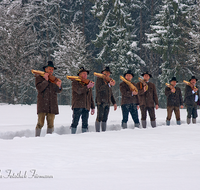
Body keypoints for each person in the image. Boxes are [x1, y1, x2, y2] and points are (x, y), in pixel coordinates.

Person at [35, 61, 62, 137]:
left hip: (52, 105)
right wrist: (45, 80)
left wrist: (59, 86)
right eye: (50, 69)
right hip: (42, 104)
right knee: (40, 123)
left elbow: (58, 91)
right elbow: (39, 88)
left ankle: (49, 139)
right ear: (45, 69)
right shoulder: (39, 77)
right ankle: (37, 138)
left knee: (51, 124)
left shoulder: (54, 79)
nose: (51, 71)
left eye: (52, 69)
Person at [70, 67, 95, 134]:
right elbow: (79, 91)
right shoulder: (75, 82)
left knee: (85, 123)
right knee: (75, 122)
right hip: (77, 105)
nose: (85, 75)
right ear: (79, 75)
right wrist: (87, 87)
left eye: (86, 74)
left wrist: (93, 107)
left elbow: (90, 96)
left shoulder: (88, 83)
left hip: (86, 106)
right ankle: (72, 134)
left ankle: (84, 136)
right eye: (83, 73)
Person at [95, 66, 117, 132]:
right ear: (103, 72)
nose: (107, 74)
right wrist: (108, 85)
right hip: (101, 101)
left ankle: (104, 131)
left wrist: (114, 103)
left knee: (105, 118)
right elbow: (99, 89)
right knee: (99, 117)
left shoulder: (109, 81)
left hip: (107, 102)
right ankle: (98, 131)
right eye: (106, 72)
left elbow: (111, 93)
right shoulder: (99, 79)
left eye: (108, 73)